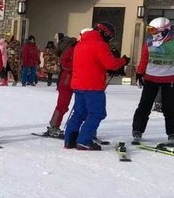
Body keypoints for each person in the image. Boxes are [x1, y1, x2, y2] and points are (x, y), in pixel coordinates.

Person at [63, 22, 131, 150]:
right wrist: (123, 61)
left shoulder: (80, 44)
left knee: (79, 113)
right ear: (104, 33)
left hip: (78, 85)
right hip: (93, 86)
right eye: (109, 37)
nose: (109, 40)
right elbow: (110, 64)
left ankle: (69, 140)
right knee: (97, 113)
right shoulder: (100, 45)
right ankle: (84, 141)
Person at [131, 16, 174, 145]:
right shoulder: (150, 40)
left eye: (155, 31)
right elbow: (145, 58)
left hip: (169, 79)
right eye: (150, 30)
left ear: (165, 30)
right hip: (151, 78)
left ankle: (172, 133)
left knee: (170, 108)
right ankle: (137, 130)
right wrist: (139, 72)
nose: (152, 33)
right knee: (144, 106)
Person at [43, 33, 76, 137]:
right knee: (62, 105)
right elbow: (64, 63)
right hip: (67, 79)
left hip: (68, 79)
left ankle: (54, 126)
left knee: (63, 105)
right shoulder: (72, 48)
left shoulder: (69, 46)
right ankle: (54, 126)